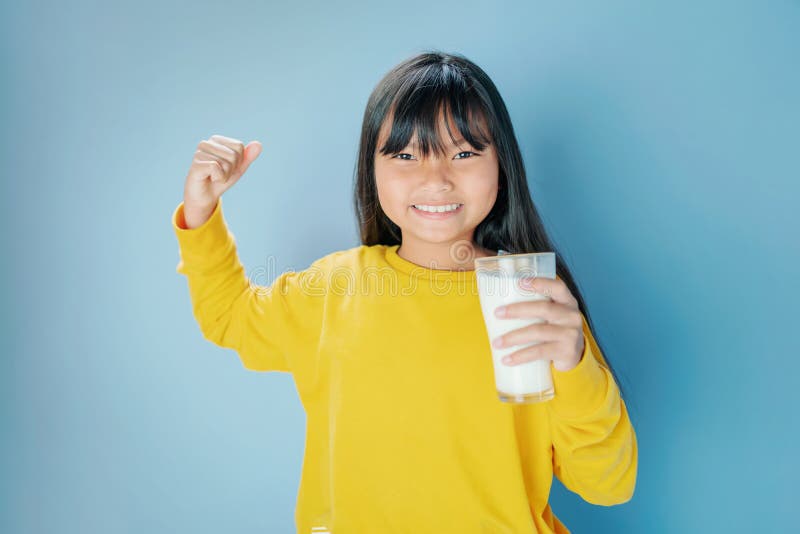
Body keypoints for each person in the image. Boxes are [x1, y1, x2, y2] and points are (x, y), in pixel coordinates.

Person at [171, 50, 637, 534]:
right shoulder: (336, 289)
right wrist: (201, 209)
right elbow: (230, 315)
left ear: (503, 163)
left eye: (463, 153)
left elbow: (608, 484)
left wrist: (575, 362)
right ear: (372, 169)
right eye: (405, 155)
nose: (435, 179)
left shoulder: (532, 303)